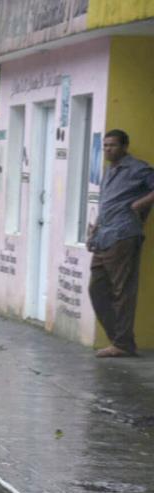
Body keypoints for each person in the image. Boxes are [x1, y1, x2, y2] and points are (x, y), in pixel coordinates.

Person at [87, 129, 154, 358]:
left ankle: (123, 344)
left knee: (122, 291)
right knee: (96, 289)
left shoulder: (138, 168)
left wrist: (139, 205)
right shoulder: (109, 170)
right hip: (104, 236)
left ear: (124, 146)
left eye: (112, 145)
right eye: (105, 145)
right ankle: (120, 340)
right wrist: (94, 229)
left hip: (124, 235)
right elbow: (107, 204)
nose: (107, 149)